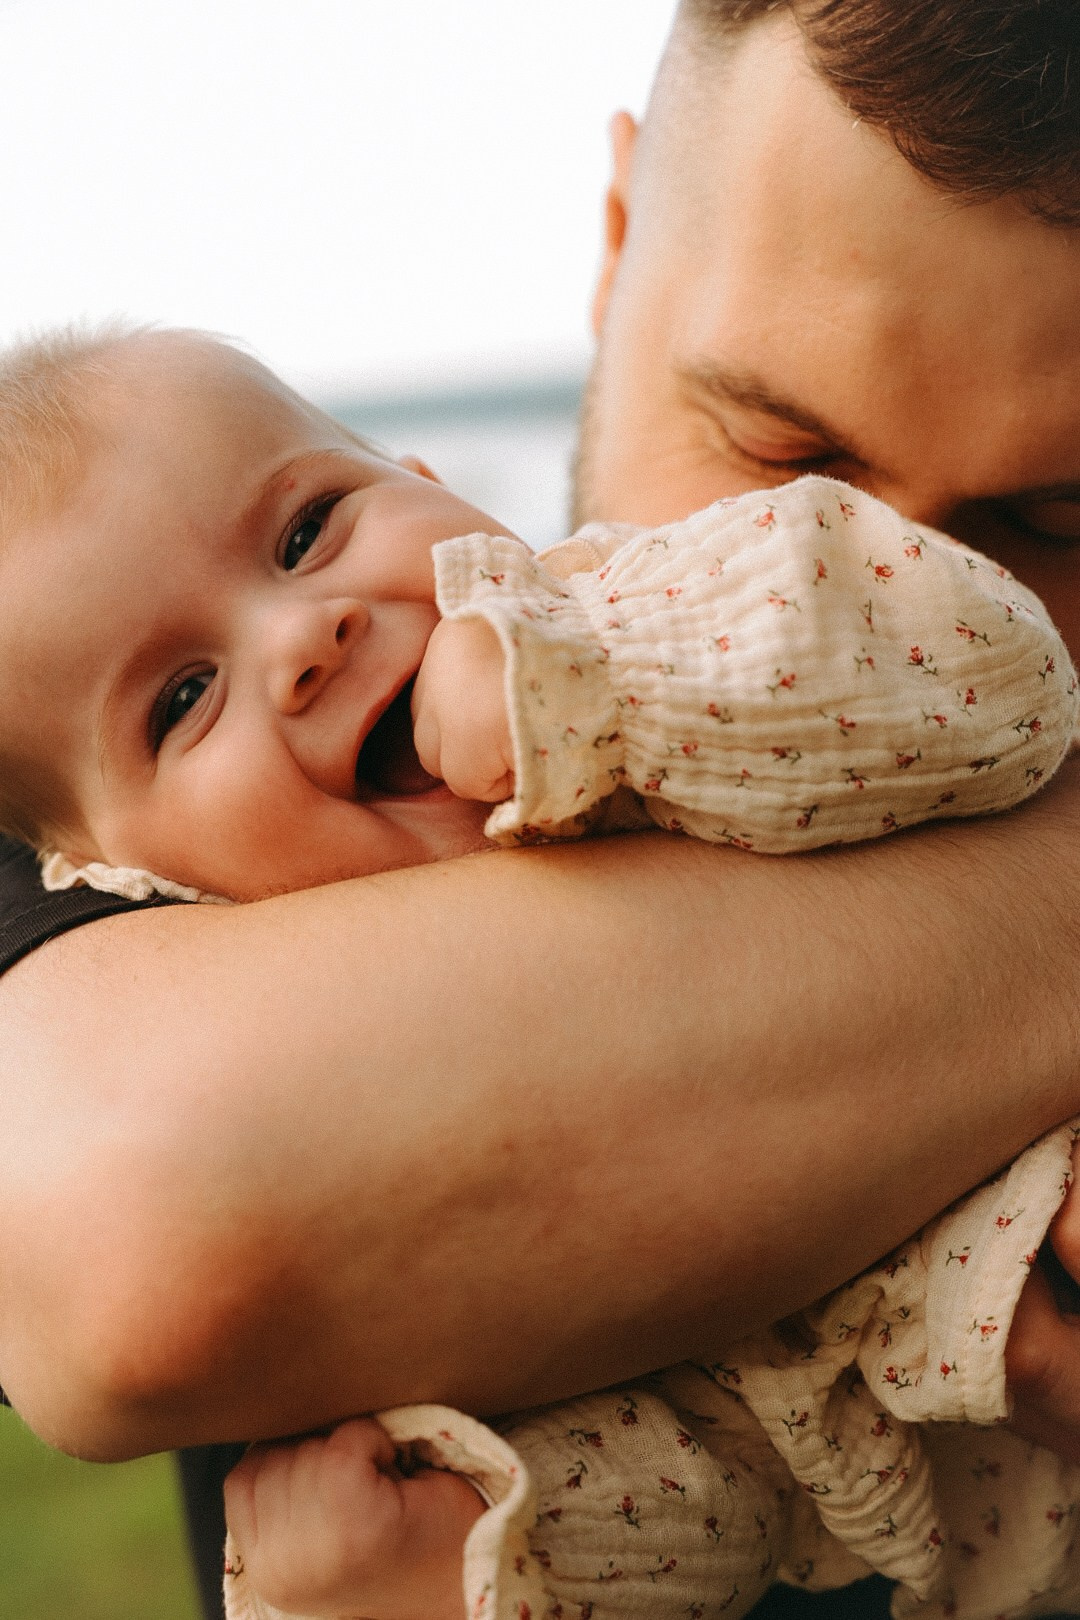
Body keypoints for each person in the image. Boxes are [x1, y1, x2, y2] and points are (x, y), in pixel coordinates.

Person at [1, 2, 1080, 1616]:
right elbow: (143, 1224)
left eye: (1057, 514)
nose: (899, 576)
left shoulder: (525, 622)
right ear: (622, 239)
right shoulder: (71, 836)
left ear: (417, 473)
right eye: (780, 446)